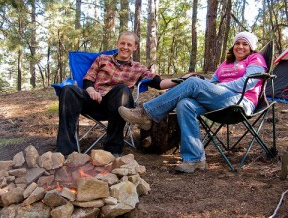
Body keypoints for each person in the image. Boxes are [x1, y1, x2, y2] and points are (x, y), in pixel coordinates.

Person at [118, 31, 267, 173]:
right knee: (185, 104)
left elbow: (248, 83)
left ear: (251, 48)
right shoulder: (225, 64)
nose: (240, 47)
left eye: (245, 44)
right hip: (220, 100)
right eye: (237, 43)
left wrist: (215, 86)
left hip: (241, 102)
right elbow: (212, 82)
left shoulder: (255, 59)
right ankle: (195, 159)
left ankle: (146, 112)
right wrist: (209, 85)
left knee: (193, 82)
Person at [56, 31, 188, 157]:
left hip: (118, 105)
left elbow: (159, 83)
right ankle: (66, 151)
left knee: (122, 90)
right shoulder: (102, 59)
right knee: (68, 90)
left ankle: (113, 149)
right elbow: (88, 79)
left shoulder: (138, 68)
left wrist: (182, 80)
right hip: (93, 101)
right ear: (117, 44)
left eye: (129, 44)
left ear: (135, 47)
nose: (125, 47)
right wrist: (91, 91)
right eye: (122, 43)